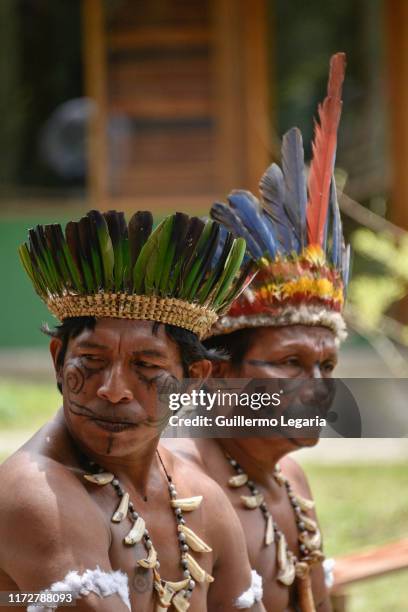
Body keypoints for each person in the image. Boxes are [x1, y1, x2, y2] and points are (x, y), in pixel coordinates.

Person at [0, 210, 265, 611]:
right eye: (91, 360)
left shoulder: (201, 497)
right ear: (58, 361)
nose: (113, 390)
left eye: (146, 367)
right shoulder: (35, 496)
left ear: (192, 380)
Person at [165, 52, 349, 612]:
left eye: (326, 367)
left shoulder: (290, 480)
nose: (317, 388)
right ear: (218, 374)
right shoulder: (178, 488)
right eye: (290, 364)